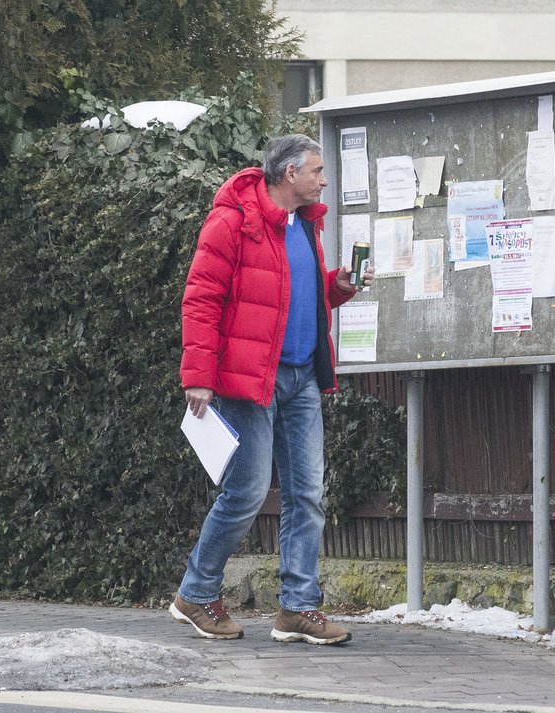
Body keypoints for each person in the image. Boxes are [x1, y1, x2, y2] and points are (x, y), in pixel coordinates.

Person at [170, 134, 372, 644]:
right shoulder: (233, 220)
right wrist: (198, 376)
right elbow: (201, 299)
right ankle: (196, 592)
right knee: (247, 491)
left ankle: (298, 608)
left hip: (302, 377)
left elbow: (287, 294)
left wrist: (336, 288)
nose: (324, 180)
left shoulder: (304, 223)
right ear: (289, 175)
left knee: (308, 495)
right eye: (317, 171)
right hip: (250, 379)